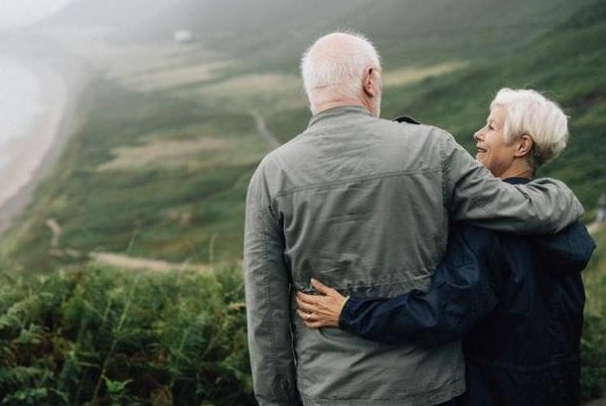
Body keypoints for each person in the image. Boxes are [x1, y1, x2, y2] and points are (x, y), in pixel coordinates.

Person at [244, 31, 584, 406]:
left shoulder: (271, 173)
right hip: (433, 388)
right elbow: (517, 208)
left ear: (311, 90)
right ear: (370, 79)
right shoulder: (432, 148)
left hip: (329, 390)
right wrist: (561, 194)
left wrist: (276, 399)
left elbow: (267, 314)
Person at [295, 88, 595, 405]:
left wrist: (349, 312)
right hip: (557, 388)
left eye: (492, 127)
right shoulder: (561, 220)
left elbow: (440, 314)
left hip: (497, 393)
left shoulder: (489, 228)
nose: (478, 134)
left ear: (522, 145)